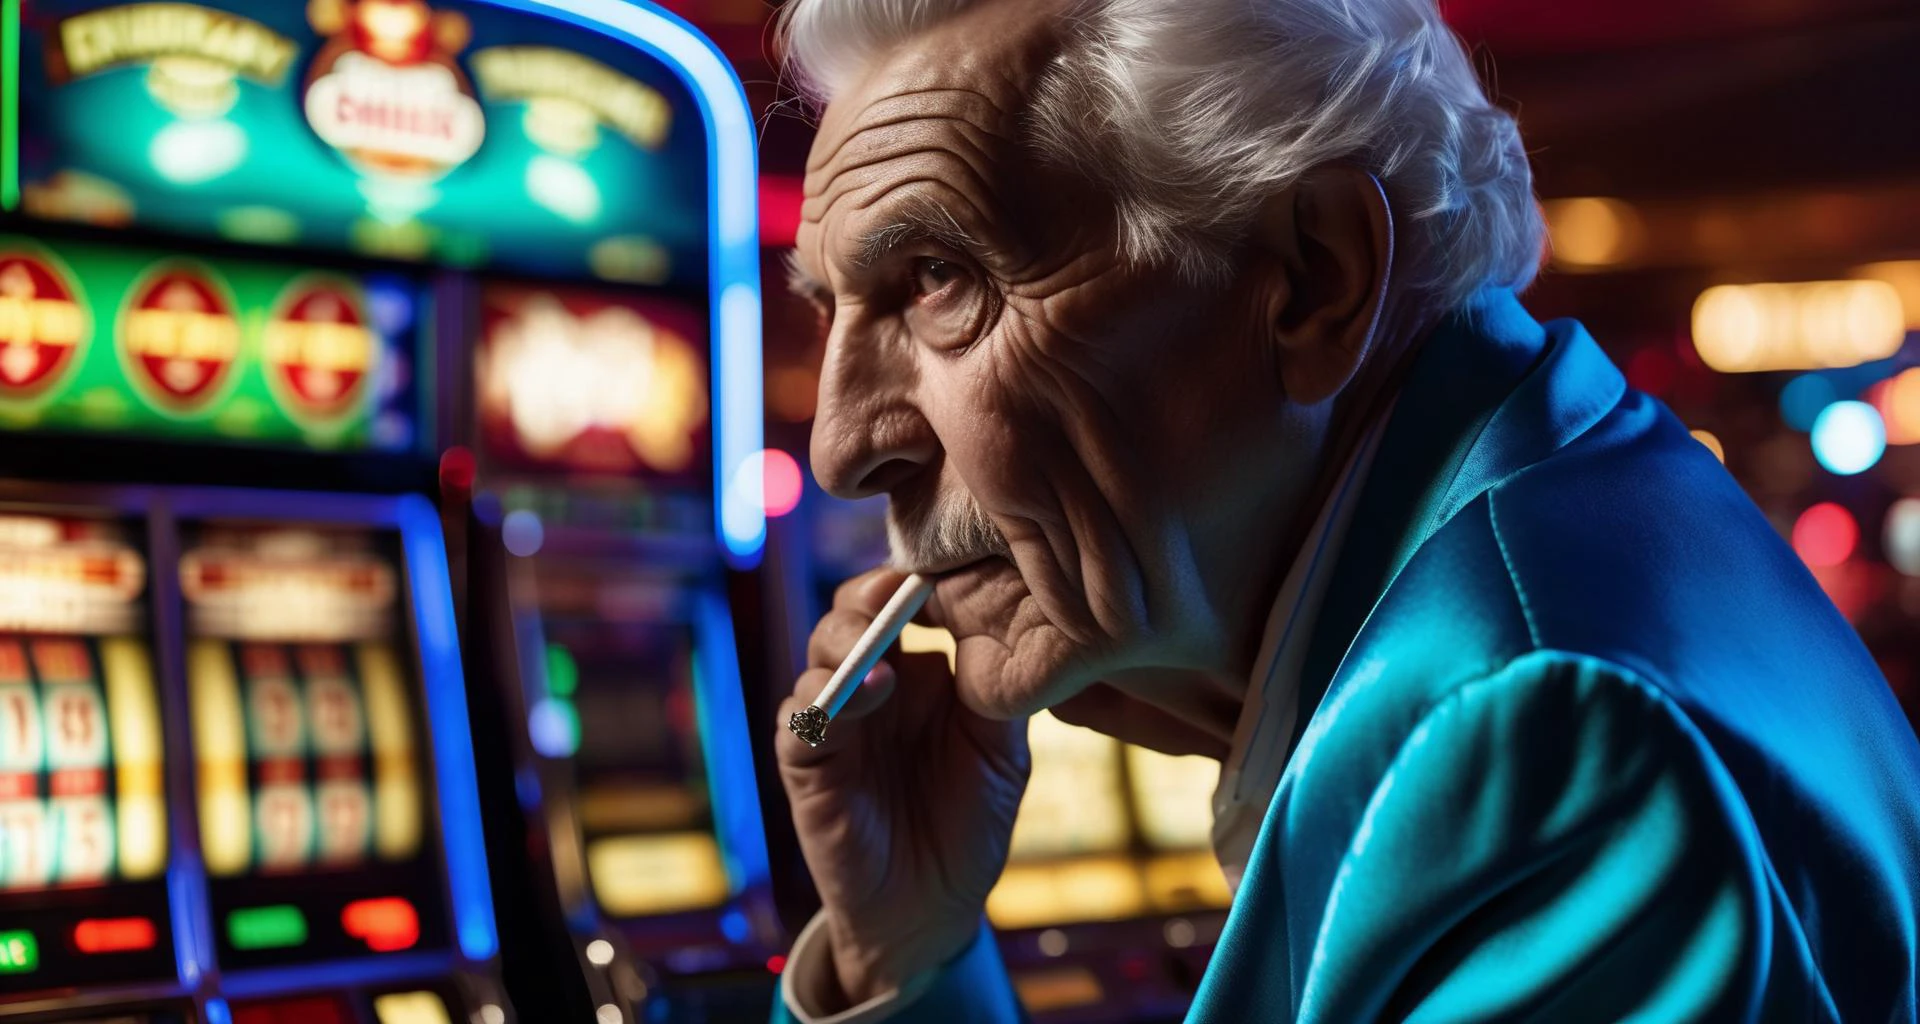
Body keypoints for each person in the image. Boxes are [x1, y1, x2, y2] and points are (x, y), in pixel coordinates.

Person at [770, 0, 1920, 1020]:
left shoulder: (1539, 737)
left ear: (1316, 280)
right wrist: (908, 954)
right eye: (834, 310)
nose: (843, 447)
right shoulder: (1566, 517)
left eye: (938, 279)